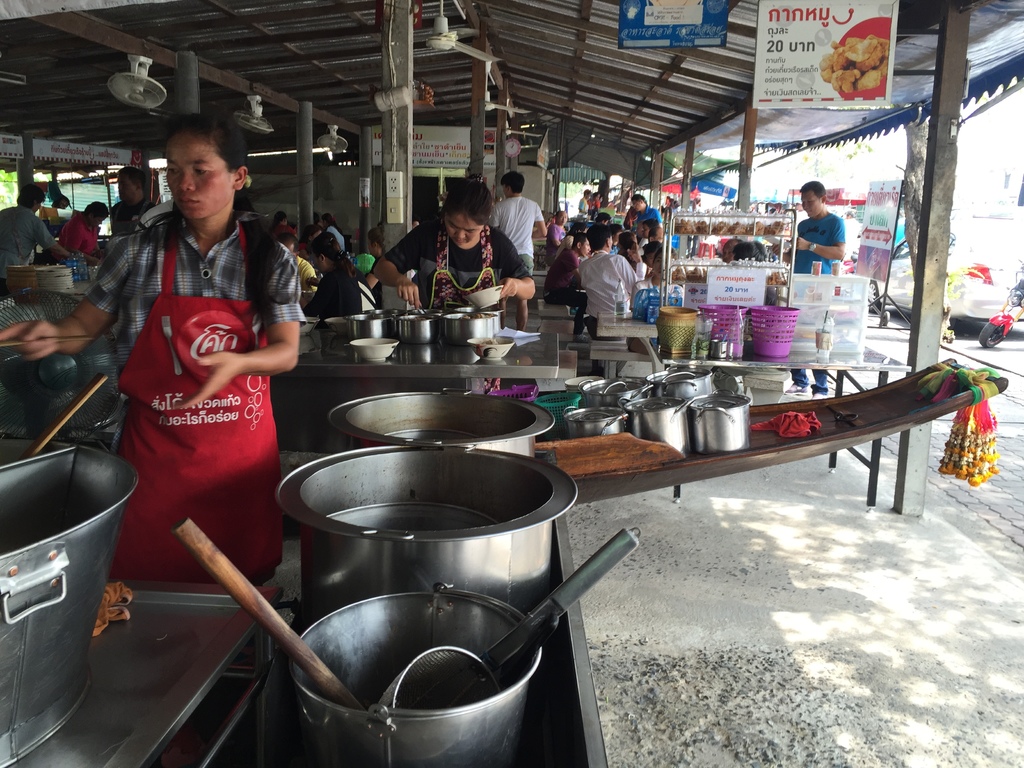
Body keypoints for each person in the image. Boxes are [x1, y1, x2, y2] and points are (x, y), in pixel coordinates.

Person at [0, 112, 303, 584]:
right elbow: (84, 327)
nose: (185, 184)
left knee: (239, 595)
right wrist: (52, 336)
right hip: (157, 458)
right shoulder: (135, 252)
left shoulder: (270, 258)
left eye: (201, 170)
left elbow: (286, 351)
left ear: (239, 176)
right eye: (174, 170)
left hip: (238, 463)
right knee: (147, 593)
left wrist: (239, 363)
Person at [373, 175, 534, 311]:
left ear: (485, 224)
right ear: (444, 215)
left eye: (470, 231)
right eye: (452, 226)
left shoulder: (497, 243)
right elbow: (381, 268)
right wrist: (400, 279)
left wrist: (516, 286)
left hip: (481, 337)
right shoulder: (427, 235)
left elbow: (530, 288)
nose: (460, 235)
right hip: (432, 334)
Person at [788, 180, 846, 399]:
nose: (806, 206)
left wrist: (810, 245)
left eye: (810, 201)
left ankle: (821, 387)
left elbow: (840, 254)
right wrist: (785, 250)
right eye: (803, 202)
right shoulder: (802, 225)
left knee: (820, 333)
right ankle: (799, 380)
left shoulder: (835, 223)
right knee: (795, 332)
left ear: (823, 199)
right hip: (798, 283)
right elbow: (795, 255)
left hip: (821, 285)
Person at [489, 171, 546, 330]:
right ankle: (521, 333)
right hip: (525, 255)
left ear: (507, 188)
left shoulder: (499, 207)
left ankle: (500, 331)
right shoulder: (533, 205)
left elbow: (491, 233)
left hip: (504, 255)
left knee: (501, 297)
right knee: (523, 298)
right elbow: (543, 232)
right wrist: (529, 236)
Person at [0, 184, 76, 294]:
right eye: (39, 203)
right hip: (11, 270)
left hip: (8, 266)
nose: (39, 207)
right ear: (35, 202)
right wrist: (71, 256)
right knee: (9, 304)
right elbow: (52, 246)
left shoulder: (3, 213)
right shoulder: (33, 221)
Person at [578, 223, 637, 340]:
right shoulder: (618, 260)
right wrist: (639, 263)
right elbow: (635, 288)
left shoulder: (583, 265)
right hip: (617, 326)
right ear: (607, 242)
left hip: (594, 326)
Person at [301, 231, 376, 318]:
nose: (314, 263)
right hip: (369, 327)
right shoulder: (354, 271)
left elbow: (310, 312)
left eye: (314, 258)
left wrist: (296, 295)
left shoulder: (331, 279)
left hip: (349, 330)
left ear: (322, 257)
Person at [544, 226, 590, 341]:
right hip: (552, 294)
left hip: (559, 290)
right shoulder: (570, 256)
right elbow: (581, 280)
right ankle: (578, 333)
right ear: (579, 245)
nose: (589, 248)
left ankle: (580, 322)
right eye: (587, 245)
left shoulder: (574, 257)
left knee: (584, 296)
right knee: (587, 299)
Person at [58, 201, 109, 266]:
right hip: (66, 263)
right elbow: (71, 249)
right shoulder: (77, 226)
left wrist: (97, 251)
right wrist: (91, 259)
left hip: (82, 261)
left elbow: (93, 239)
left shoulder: (92, 223)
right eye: (99, 220)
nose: (100, 223)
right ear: (91, 215)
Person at [110, 165, 155, 236]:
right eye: (119, 184)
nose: (119, 188)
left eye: (123, 184)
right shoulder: (115, 210)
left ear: (138, 186)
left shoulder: (151, 210)